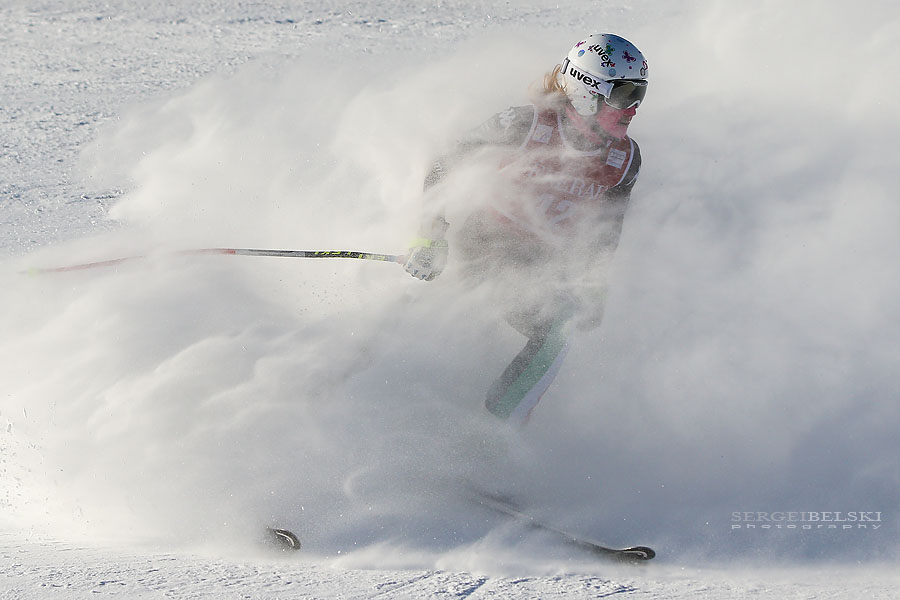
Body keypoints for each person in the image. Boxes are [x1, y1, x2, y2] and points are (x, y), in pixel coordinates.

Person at [403, 33, 648, 426]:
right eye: (623, 95)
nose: (633, 109)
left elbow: (606, 227)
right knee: (548, 325)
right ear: (587, 90)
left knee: (559, 327)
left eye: (640, 94)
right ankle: (480, 426)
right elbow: (444, 162)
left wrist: (593, 284)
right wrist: (429, 235)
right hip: (485, 244)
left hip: (540, 265)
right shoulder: (527, 124)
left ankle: (496, 435)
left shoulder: (624, 159)